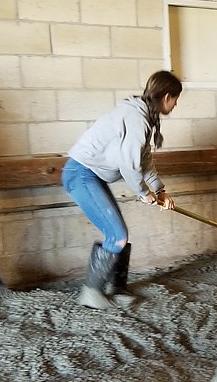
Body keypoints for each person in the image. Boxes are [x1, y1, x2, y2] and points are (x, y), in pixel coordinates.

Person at [62, 70, 181, 309]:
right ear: (167, 96)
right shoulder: (135, 117)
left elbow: (144, 159)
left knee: (119, 234)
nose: (175, 105)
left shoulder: (143, 116)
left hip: (90, 176)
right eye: (176, 100)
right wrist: (143, 192)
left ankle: (115, 288)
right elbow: (130, 163)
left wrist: (160, 190)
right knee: (117, 235)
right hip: (81, 174)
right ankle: (91, 293)